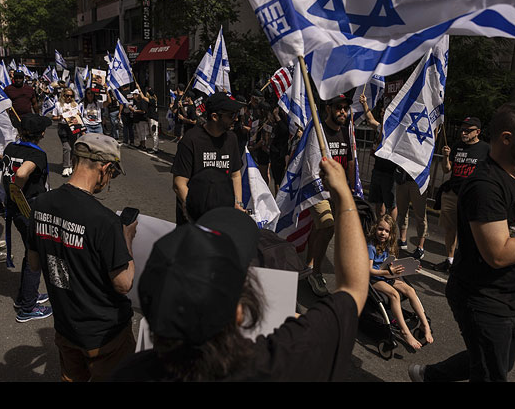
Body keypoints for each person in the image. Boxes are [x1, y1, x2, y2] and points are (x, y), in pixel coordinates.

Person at [110, 156, 369, 382]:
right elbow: (353, 289)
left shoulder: (129, 374)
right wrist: (342, 194)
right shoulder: (281, 361)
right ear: (238, 312)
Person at [409, 102, 515, 383]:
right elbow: (498, 253)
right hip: (481, 296)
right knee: (491, 373)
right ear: (506, 138)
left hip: (511, 293)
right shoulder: (485, 185)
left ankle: (430, 375)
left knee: (500, 361)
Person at [27, 133, 137, 382]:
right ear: (105, 168)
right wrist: (127, 238)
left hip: (66, 327)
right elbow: (123, 283)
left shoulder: (40, 204)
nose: (109, 181)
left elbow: (34, 263)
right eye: (112, 175)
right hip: (105, 334)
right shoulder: (105, 221)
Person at [2, 113, 53, 322]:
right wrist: (18, 192)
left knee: (29, 251)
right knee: (35, 256)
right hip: (28, 209)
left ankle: (26, 296)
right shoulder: (37, 155)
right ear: (41, 134)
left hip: (15, 209)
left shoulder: (10, 148)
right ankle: (28, 308)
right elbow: (22, 174)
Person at [305, 94, 355, 297]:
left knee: (319, 229)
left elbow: (351, 162)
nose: (342, 111)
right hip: (319, 191)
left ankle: (308, 264)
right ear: (328, 109)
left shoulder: (346, 133)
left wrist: (350, 189)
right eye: (338, 108)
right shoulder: (318, 132)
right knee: (327, 226)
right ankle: (315, 273)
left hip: (339, 192)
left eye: (345, 108)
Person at [171, 91, 246, 225]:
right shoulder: (190, 140)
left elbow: (235, 175)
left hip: (223, 222)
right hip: (194, 225)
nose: (236, 119)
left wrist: (237, 204)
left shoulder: (231, 139)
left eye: (237, 115)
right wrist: (200, 213)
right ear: (215, 116)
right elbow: (179, 184)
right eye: (231, 115)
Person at [368, 214, 433, 350]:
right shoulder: (371, 246)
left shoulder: (388, 245)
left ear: (391, 233)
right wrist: (389, 272)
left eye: (387, 231)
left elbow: (393, 262)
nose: (383, 233)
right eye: (380, 229)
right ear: (375, 228)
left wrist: (410, 267)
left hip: (387, 275)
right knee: (394, 295)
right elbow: (370, 270)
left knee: (411, 290)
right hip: (374, 278)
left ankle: (424, 324)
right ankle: (405, 332)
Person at [436, 116, 490, 272]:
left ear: (477, 132)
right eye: (462, 129)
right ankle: (450, 260)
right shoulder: (457, 146)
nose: (464, 132)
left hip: (471, 196)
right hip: (452, 194)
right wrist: (446, 156)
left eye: (468, 130)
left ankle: (465, 263)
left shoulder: (486, 149)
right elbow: (447, 170)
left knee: (468, 231)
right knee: (450, 229)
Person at [359, 94, 398, 222]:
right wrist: (364, 103)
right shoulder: (379, 127)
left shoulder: (395, 130)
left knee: (390, 203)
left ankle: (391, 230)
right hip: (377, 169)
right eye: (381, 111)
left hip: (390, 173)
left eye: (385, 111)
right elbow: (370, 119)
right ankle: (379, 224)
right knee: (377, 200)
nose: (382, 112)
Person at [52, 88, 84, 177]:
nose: (69, 98)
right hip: (63, 127)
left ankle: (71, 165)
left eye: (71, 96)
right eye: (67, 95)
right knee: (67, 148)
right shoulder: (58, 105)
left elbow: (79, 116)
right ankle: (66, 167)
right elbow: (53, 117)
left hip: (73, 127)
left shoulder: (75, 105)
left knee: (73, 147)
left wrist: (78, 115)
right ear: (63, 95)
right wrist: (60, 116)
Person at [145, 86, 160, 153]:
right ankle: (155, 147)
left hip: (153, 119)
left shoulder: (152, 100)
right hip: (154, 118)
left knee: (154, 134)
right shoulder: (154, 99)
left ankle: (155, 148)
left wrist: (139, 89)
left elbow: (143, 97)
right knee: (154, 133)